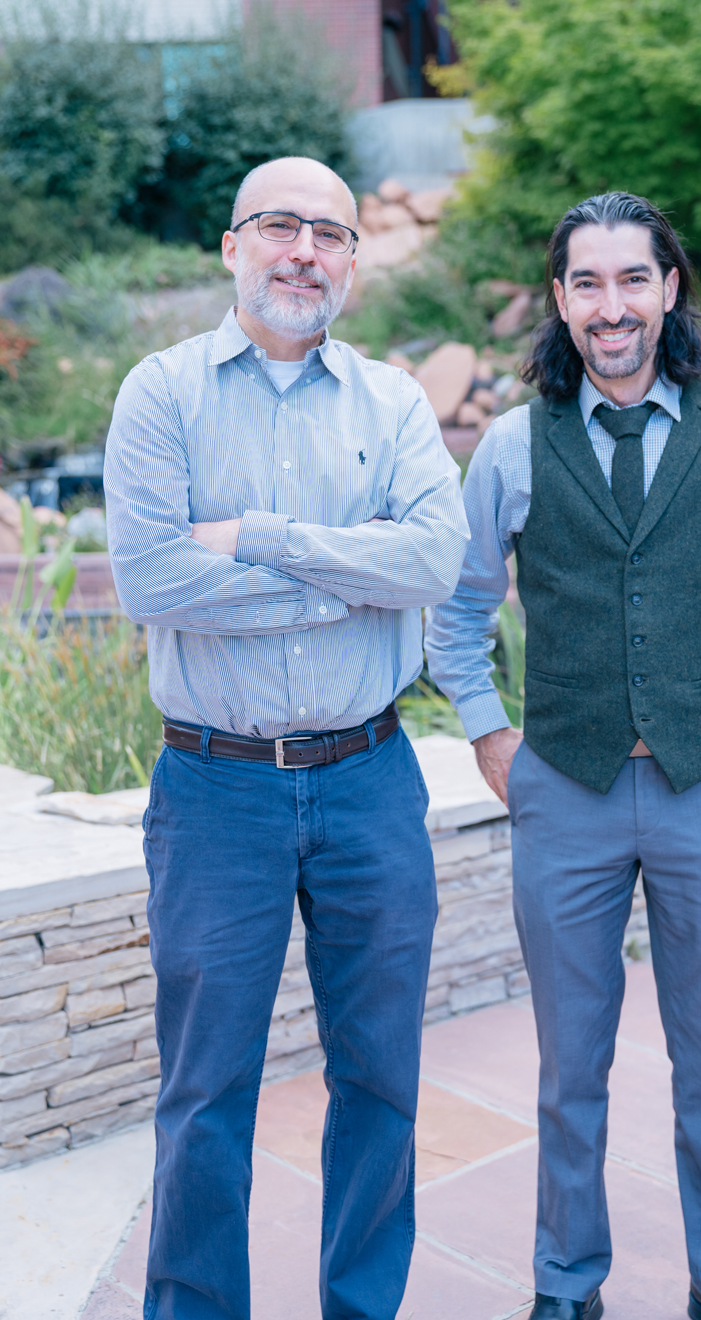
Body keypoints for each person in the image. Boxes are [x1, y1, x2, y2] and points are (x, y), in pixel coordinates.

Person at [425, 191, 701, 1320]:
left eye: (633, 279)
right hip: (564, 794)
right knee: (569, 1072)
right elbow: (457, 608)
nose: (611, 305)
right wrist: (489, 731)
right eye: (587, 283)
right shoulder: (516, 446)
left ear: (669, 289)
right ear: (561, 301)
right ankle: (565, 1287)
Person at [104, 156, 469, 1320]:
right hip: (216, 791)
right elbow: (155, 581)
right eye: (279, 225)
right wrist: (344, 575)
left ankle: (362, 1307)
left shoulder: (396, 401)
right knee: (207, 1087)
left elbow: (433, 564)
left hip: (369, 780)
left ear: (356, 261)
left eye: (330, 231)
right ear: (232, 245)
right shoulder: (160, 393)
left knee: (380, 1078)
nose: (303, 249)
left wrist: (256, 539)